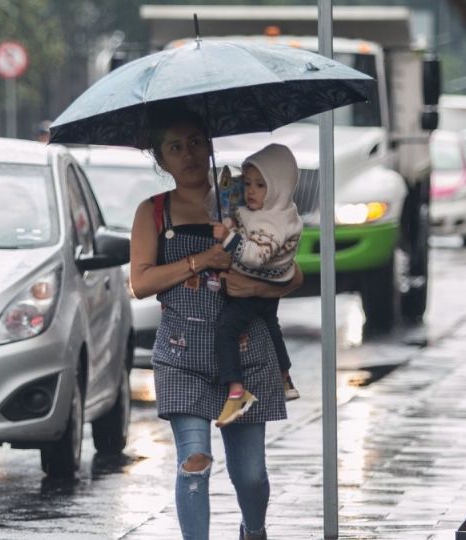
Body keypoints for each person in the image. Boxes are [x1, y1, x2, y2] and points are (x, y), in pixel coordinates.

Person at [129, 106, 303, 540]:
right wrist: (200, 260)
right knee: (194, 464)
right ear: (161, 158)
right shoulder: (152, 213)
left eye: (194, 143)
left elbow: (294, 273)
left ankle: (254, 530)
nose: (187, 155)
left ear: (209, 146)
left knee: (250, 477)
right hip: (181, 355)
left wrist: (259, 289)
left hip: (246, 356)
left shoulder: (246, 201)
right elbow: (140, 282)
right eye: (174, 147)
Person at [211, 144, 303, 428]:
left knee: (226, 329)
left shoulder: (272, 221)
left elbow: (255, 255)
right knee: (270, 323)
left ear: (278, 187)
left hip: (258, 280)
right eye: (248, 183)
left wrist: (227, 238)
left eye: (260, 185)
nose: (251, 191)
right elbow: (243, 223)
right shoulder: (272, 209)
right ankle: (284, 375)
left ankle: (236, 390)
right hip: (273, 281)